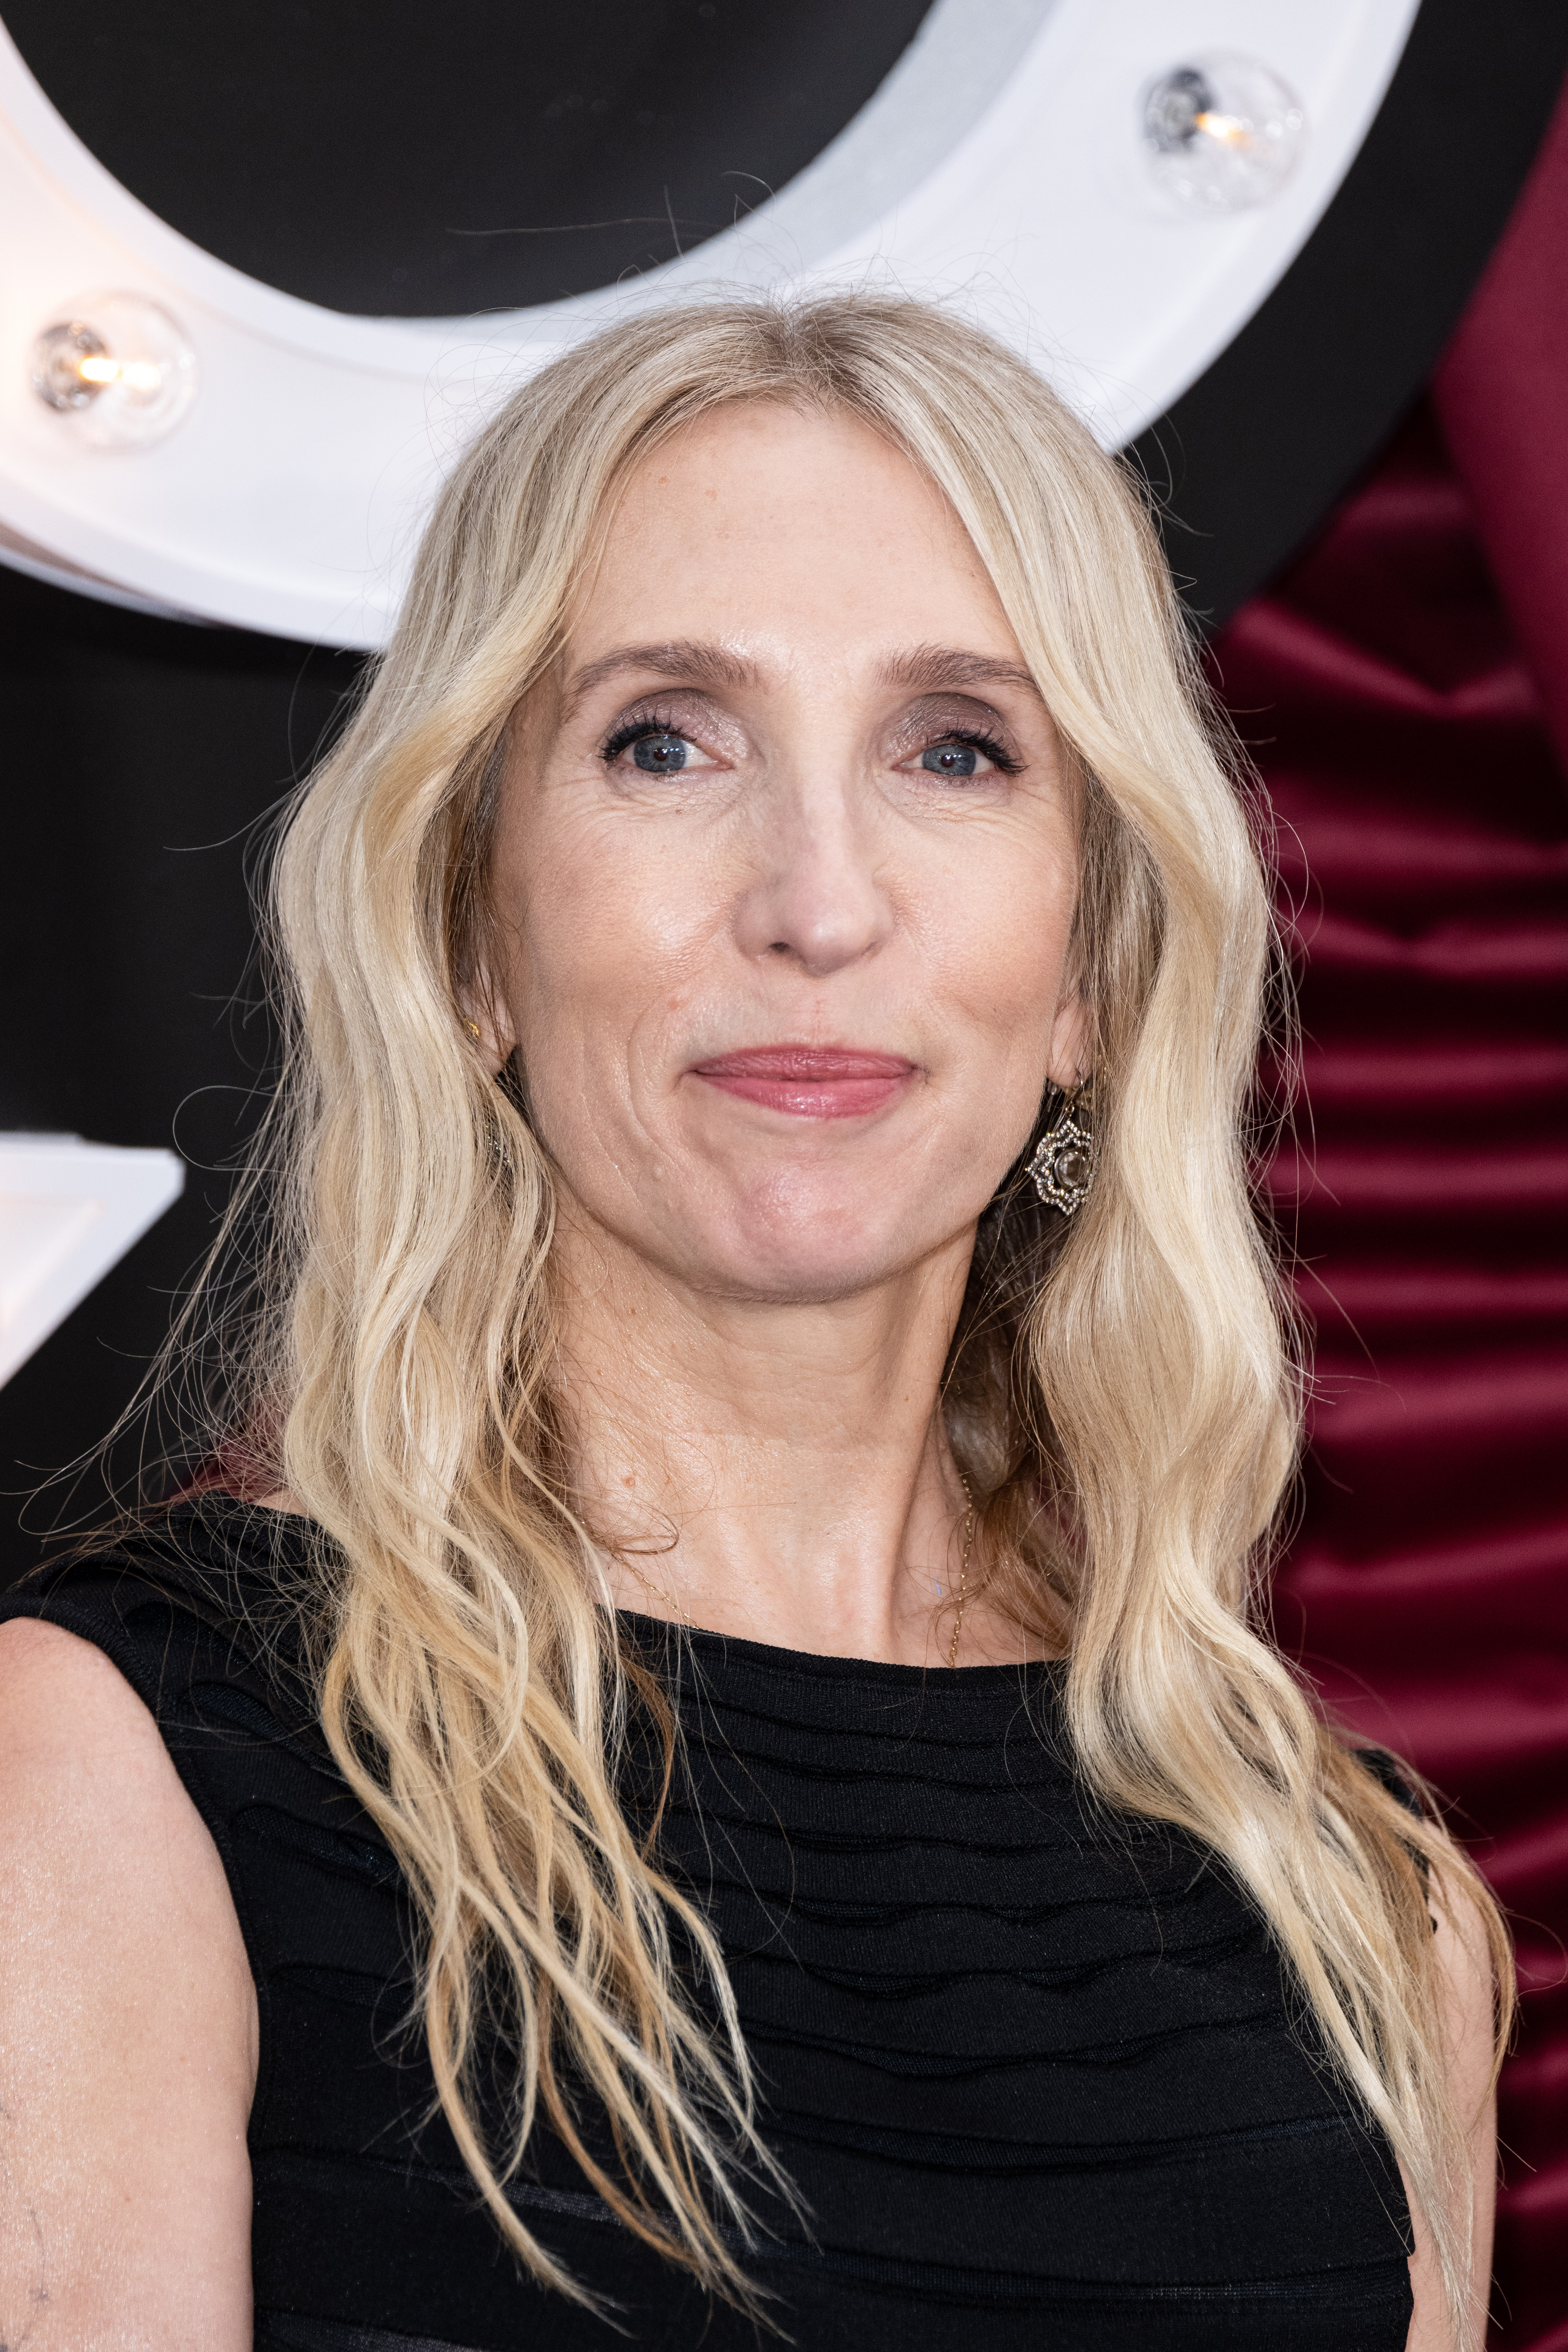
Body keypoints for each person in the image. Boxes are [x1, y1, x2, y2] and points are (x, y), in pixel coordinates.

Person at [0, 294, 1507, 2352]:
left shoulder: (1355, 1902)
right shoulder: (111, 1772)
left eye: (955, 749)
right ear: (470, 939)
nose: (816, 899)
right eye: (664, 740)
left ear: (1085, 976)